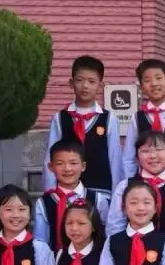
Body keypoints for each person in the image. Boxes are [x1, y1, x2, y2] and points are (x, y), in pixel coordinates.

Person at [43, 55, 122, 194]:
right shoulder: (60, 118)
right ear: (71, 83)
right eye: (80, 80)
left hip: (100, 192)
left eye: (91, 81)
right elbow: (50, 157)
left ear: (100, 85)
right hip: (66, 193)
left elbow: (115, 160)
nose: (85, 86)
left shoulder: (109, 119)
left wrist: (117, 195)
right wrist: (50, 193)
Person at [108, 130, 165, 242]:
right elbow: (115, 225)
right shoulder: (124, 186)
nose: (153, 156)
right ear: (137, 157)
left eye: (159, 150)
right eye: (145, 151)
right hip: (131, 249)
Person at [36, 138, 111, 253]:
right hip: (55, 260)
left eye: (73, 163)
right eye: (60, 163)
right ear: (51, 167)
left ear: (83, 166)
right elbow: (41, 241)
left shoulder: (98, 199)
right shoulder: (44, 202)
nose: (67, 168)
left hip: (92, 259)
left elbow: (105, 234)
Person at [123, 59, 165, 178]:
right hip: (143, 183)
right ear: (141, 87)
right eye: (147, 80)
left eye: (158, 78)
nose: (154, 83)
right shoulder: (137, 118)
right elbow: (128, 157)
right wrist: (130, 182)